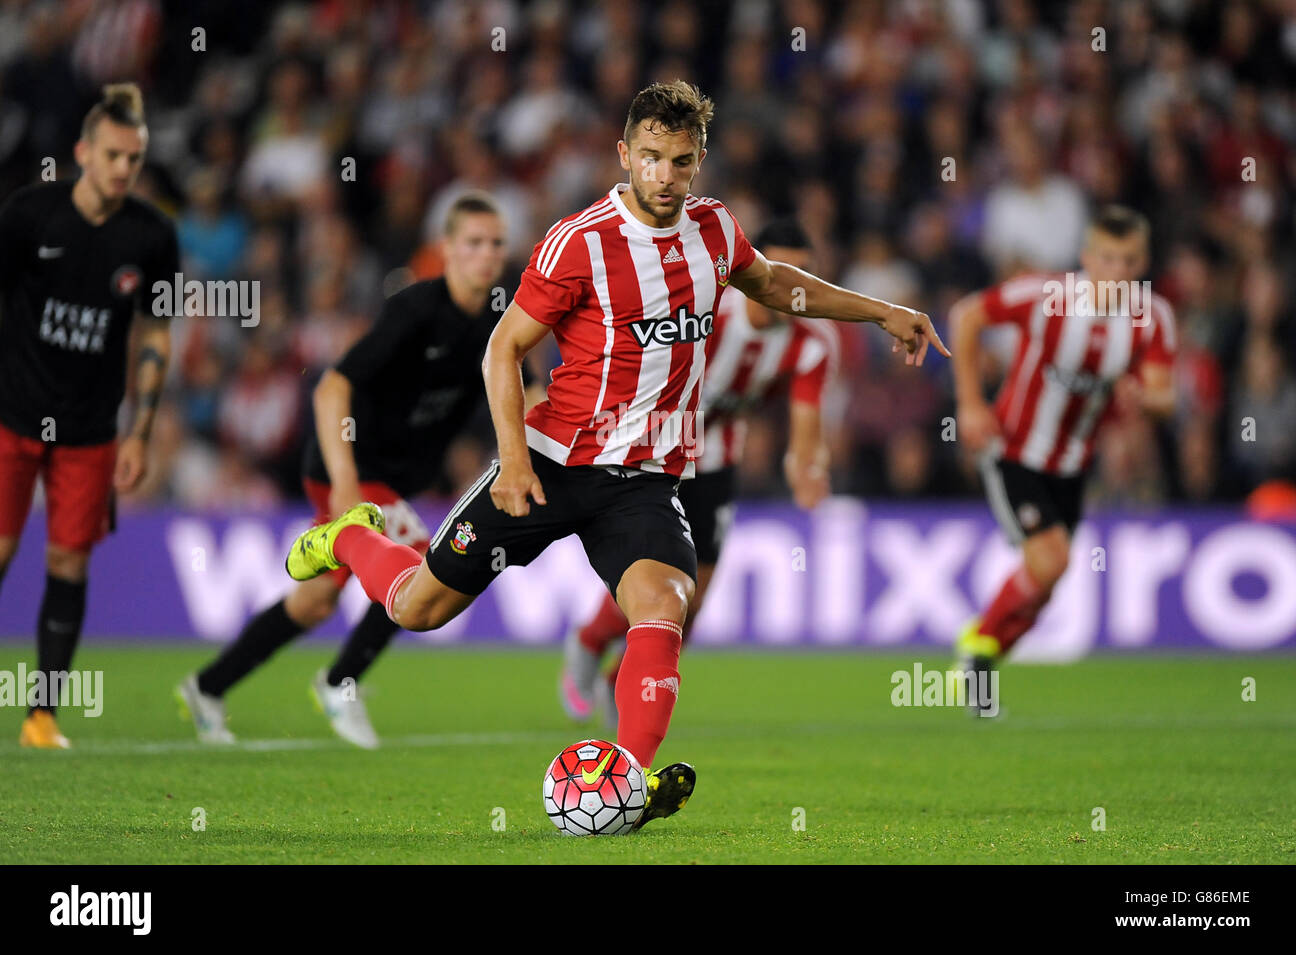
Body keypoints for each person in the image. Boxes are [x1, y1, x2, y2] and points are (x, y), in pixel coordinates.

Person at [283, 80, 945, 829]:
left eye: (682, 161)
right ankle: (347, 534)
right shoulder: (579, 243)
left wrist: (884, 309)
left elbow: (775, 286)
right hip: (553, 461)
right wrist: (514, 459)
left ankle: (626, 781)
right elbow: (504, 349)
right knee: (417, 608)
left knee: (666, 605)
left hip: (645, 480)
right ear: (625, 153)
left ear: (699, 163)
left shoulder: (716, 230)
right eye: (653, 158)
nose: (666, 176)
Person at [177, 193, 517, 747]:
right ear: (447, 249)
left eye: (496, 243)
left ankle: (207, 686)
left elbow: (513, 389)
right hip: (347, 466)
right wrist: (346, 487)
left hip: (388, 474)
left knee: (314, 602)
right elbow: (333, 387)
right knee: (422, 560)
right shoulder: (415, 310)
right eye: (474, 243)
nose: (487, 254)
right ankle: (340, 682)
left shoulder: (498, 322)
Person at [558, 218, 837, 724]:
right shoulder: (711, 309)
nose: (791, 288)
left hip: (719, 460)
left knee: (694, 600)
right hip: (659, 452)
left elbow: (805, 424)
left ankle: (614, 679)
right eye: (783, 270)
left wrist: (806, 463)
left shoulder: (811, 345)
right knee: (651, 576)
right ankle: (589, 639)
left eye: (805, 274)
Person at [0, 83, 178, 748]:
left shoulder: (152, 236)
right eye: (113, 155)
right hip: (12, 415)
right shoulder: (27, 217)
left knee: (68, 562)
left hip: (91, 430)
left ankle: (41, 717)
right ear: (82, 152)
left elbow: (157, 331)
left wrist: (140, 429)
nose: (124, 169)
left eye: (134, 158)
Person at [949, 205, 1176, 711]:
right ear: (1087, 257)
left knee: (1045, 586)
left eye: (1128, 260)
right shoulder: (1044, 297)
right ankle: (976, 645)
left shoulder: (1151, 318)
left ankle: (981, 663)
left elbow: (1166, 396)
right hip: (1012, 449)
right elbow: (967, 317)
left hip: (1073, 463)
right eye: (1108, 258)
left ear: (1142, 262)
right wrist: (969, 404)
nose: (1117, 271)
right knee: (1051, 560)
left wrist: (1146, 397)